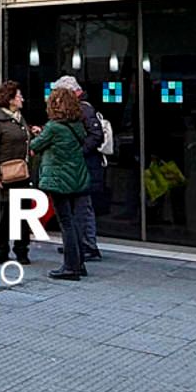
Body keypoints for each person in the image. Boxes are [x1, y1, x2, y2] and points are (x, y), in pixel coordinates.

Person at [30, 80, 92, 281]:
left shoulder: (53, 127)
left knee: (66, 223)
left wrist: (38, 135)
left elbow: (35, 146)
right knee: (75, 221)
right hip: (77, 177)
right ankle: (79, 263)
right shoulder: (77, 125)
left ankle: (70, 267)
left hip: (59, 179)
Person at [0, 80, 33, 265]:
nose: (22, 99)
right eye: (19, 96)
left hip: (21, 173)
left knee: (22, 213)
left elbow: (22, 139)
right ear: (10, 99)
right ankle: (1, 250)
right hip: (4, 176)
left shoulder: (18, 118)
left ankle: (22, 249)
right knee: (3, 215)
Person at [66, 77, 106, 263]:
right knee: (78, 205)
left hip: (86, 164)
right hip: (83, 164)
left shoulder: (84, 109)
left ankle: (88, 245)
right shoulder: (79, 108)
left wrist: (78, 152)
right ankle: (78, 243)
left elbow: (96, 136)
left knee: (83, 206)